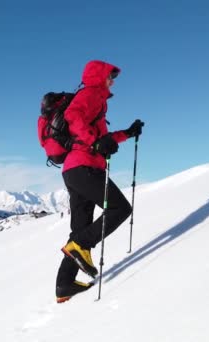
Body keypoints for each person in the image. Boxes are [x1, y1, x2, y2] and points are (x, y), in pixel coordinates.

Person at [55, 60, 144, 303]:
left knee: (80, 229)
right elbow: (73, 116)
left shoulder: (98, 102)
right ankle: (78, 247)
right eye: (110, 76)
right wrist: (94, 143)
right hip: (85, 167)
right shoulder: (92, 94)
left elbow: (103, 138)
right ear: (98, 76)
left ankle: (64, 284)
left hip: (74, 170)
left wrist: (127, 132)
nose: (113, 81)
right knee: (120, 208)